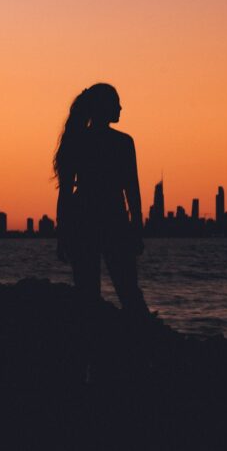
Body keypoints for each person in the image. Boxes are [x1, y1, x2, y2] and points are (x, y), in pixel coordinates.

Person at [54, 83, 150, 316]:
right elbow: (132, 190)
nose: (120, 107)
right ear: (104, 108)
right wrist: (136, 228)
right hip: (113, 219)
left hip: (82, 220)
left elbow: (66, 193)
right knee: (128, 291)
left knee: (87, 295)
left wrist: (62, 232)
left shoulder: (77, 140)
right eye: (116, 102)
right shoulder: (123, 143)